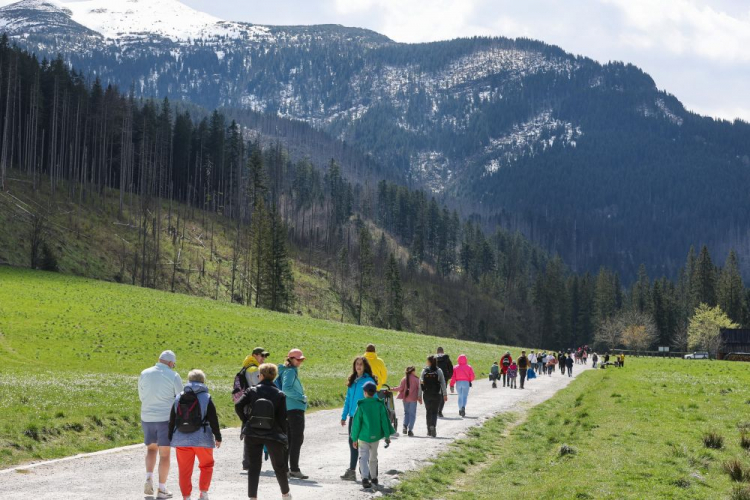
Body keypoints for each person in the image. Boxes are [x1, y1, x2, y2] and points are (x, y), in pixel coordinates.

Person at [234, 363, 292, 500]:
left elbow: (238, 405)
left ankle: (253, 497)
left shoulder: (252, 391)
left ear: (261, 375)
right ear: (274, 376)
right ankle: (285, 494)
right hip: (273, 433)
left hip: (253, 432)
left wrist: (246, 420)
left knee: (254, 466)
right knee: (279, 466)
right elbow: (283, 418)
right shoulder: (280, 394)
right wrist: (283, 435)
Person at [169, 369, 222, 500]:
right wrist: (218, 436)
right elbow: (213, 418)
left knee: (184, 470)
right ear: (203, 381)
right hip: (202, 439)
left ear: (189, 381)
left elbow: (172, 418)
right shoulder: (206, 397)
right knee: (206, 465)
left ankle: (186, 497)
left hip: (181, 439)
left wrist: (170, 436)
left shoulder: (179, 396)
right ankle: (203, 494)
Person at [139, 350, 183, 499]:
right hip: (165, 418)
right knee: (165, 455)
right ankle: (162, 489)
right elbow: (180, 397)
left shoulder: (144, 373)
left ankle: (148, 477)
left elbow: (141, 395)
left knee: (151, 449)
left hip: (147, 416)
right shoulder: (173, 375)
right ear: (171, 363)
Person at [350, 381, 396, 488]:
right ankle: (374, 478)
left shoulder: (361, 405)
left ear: (365, 392)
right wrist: (387, 436)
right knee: (373, 457)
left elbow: (356, 423)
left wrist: (354, 438)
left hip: (363, 437)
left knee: (363, 457)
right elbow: (385, 421)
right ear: (375, 392)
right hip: (375, 437)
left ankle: (365, 478)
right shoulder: (380, 405)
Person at [340, 356, 376, 481]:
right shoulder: (353, 380)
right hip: (353, 417)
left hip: (364, 418)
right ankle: (352, 471)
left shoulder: (369, 380)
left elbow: (373, 399)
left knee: (366, 444)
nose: (358, 366)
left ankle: (370, 472)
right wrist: (344, 415)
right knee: (352, 443)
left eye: (361, 364)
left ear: (365, 366)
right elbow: (348, 399)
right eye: (356, 364)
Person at [282, 349, 309, 480]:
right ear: (291, 359)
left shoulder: (289, 371)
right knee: (296, 439)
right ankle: (294, 469)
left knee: (291, 439)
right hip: (294, 409)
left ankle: (287, 469)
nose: (300, 361)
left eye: (301, 359)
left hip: (290, 409)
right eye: (298, 359)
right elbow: (286, 389)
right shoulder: (290, 371)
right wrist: (301, 397)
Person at [240, 347, 269, 470]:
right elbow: (260, 386)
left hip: (247, 404)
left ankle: (248, 462)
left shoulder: (247, 367)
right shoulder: (254, 369)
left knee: (250, 433)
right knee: (254, 433)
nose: (264, 358)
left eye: (265, 356)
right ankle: (250, 462)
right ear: (254, 355)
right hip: (254, 405)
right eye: (261, 356)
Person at [421, 355, 448, 437]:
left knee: (428, 411)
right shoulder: (439, 371)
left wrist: (419, 395)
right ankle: (433, 426)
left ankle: (429, 429)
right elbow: (443, 383)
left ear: (429, 362)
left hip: (426, 394)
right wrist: (445, 394)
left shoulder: (424, 371)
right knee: (434, 412)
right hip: (437, 394)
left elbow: (421, 383)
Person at [393, 366, 422, 436]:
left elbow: (400, 388)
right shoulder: (416, 379)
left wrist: (392, 389)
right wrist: (420, 398)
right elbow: (419, 389)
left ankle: (405, 426)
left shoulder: (404, 379)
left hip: (405, 399)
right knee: (412, 414)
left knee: (406, 413)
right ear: (412, 371)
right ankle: (410, 430)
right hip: (413, 399)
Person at [436, 347, 454, 417]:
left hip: (435, 379)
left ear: (437, 352)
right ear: (443, 352)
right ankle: (440, 411)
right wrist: (448, 376)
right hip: (444, 379)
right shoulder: (447, 359)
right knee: (443, 394)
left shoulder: (434, 359)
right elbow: (451, 368)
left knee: (436, 394)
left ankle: (436, 409)